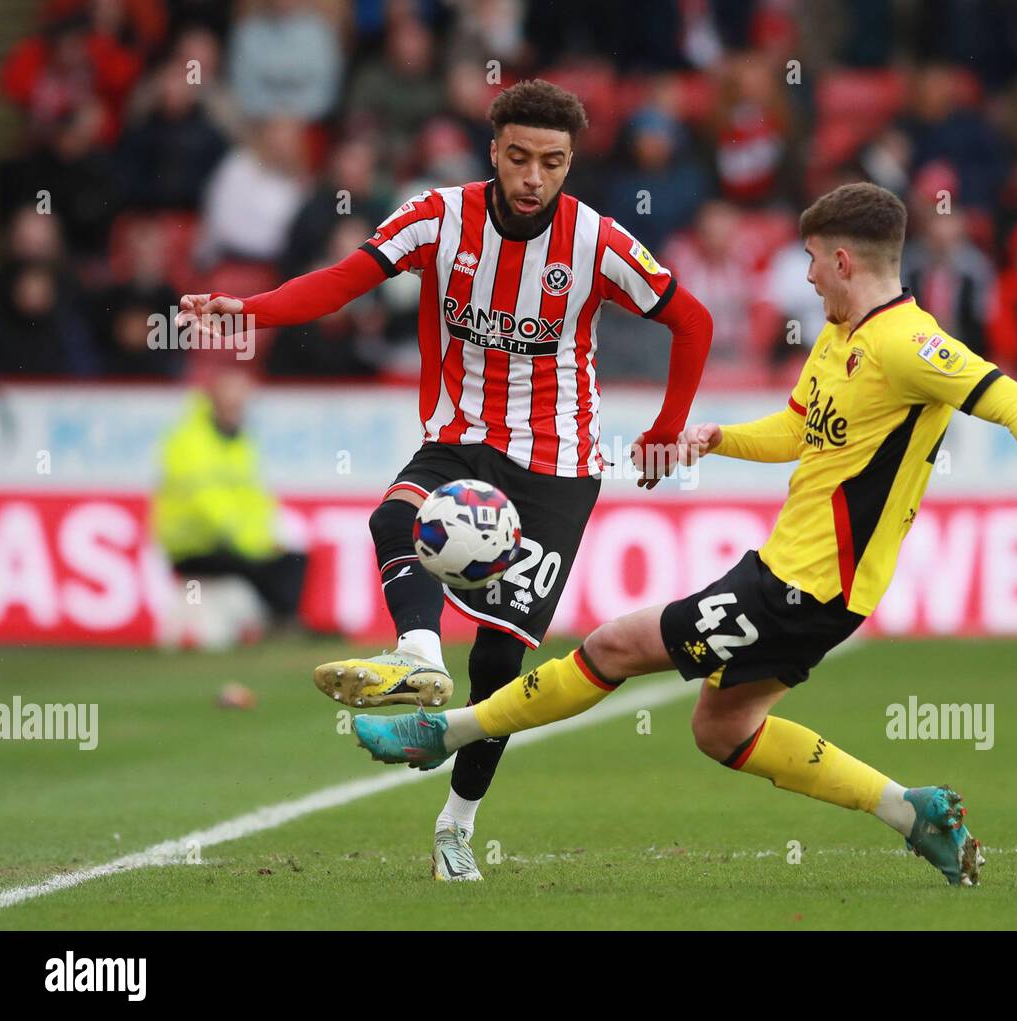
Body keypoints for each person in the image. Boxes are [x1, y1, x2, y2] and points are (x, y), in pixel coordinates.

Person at [350, 182, 1017, 887]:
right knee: (720, 728)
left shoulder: (911, 344)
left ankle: (437, 733)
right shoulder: (840, 339)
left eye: (810, 259)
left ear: (843, 260)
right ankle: (914, 814)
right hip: (800, 580)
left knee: (616, 646)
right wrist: (714, 437)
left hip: (807, 583)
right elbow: (800, 431)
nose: (803, 275)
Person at [177, 80, 713, 882]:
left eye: (553, 163)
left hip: (556, 465)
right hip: (460, 435)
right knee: (392, 519)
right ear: (494, 149)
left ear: (571, 164)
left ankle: (458, 823)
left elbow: (691, 319)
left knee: (498, 669)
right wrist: (251, 310)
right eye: (521, 157)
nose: (534, 177)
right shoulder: (439, 216)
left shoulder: (596, 241)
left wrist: (669, 427)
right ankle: (419, 651)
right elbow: (346, 279)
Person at [153, 367, 309, 626]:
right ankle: (280, 622)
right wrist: (254, 545)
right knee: (271, 566)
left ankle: (282, 619)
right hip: (193, 546)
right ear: (214, 400)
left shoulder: (239, 441)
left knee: (292, 559)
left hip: (227, 543)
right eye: (232, 401)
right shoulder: (190, 440)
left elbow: (254, 500)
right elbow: (205, 503)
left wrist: (264, 540)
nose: (238, 407)